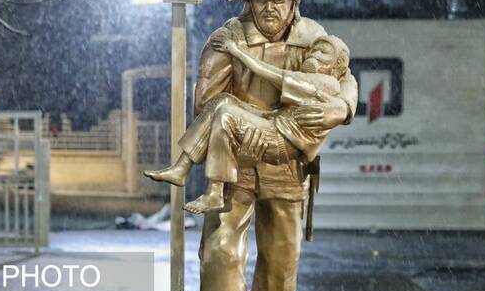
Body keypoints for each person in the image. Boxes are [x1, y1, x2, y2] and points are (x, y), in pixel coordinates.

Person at [189, 0, 358, 291]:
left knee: (283, 252)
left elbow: (344, 80)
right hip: (237, 158)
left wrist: (343, 108)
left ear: (293, 2)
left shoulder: (314, 39)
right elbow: (206, 102)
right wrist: (253, 122)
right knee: (222, 247)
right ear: (248, 0)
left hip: (288, 162)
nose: (270, 8)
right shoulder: (228, 39)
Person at [144, 35, 350, 214]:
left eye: (323, 52)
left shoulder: (327, 83)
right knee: (222, 101)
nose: (313, 54)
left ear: (337, 64)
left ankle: (215, 193)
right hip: (274, 122)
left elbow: (274, 75)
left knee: (226, 115)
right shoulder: (313, 79)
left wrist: (237, 51)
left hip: (282, 140)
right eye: (314, 49)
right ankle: (182, 167)